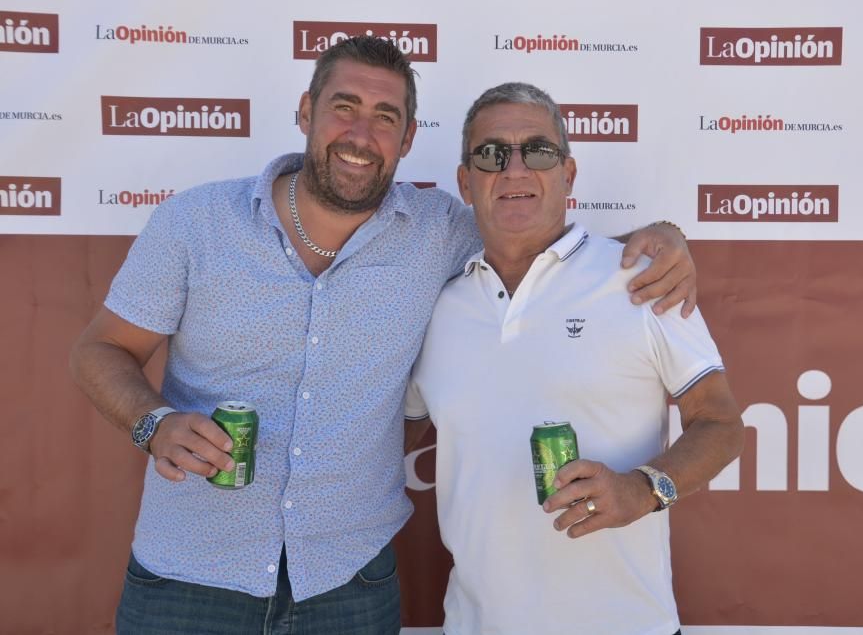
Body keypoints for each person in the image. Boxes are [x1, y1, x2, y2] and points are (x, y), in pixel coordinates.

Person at [68, 37, 698, 634]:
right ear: (307, 111)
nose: (361, 134)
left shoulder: (439, 231)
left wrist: (667, 234)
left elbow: (531, 220)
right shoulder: (196, 223)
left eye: (385, 116)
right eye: (344, 107)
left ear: (407, 139)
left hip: (347, 585)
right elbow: (102, 349)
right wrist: (153, 423)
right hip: (189, 574)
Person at [404, 82, 745, 635]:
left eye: (537, 151)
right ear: (467, 183)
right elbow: (391, 436)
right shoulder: (437, 310)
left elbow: (722, 424)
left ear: (568, 174)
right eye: (491, 155)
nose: (514, 170)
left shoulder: (642, 279)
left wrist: (643, 489)